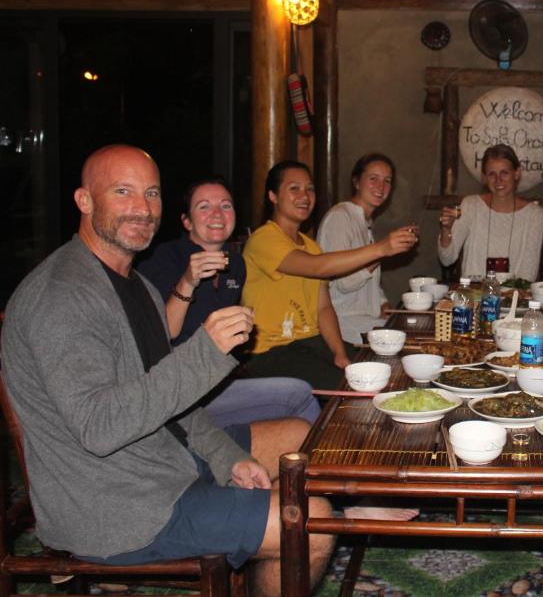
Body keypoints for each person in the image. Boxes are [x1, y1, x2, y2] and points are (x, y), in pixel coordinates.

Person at [1, 145, 334, 597]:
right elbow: (100, 427)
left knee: (299, 434)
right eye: (123, 192)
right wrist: (205, 351)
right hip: (115, 505)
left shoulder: (136, 284)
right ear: (85, 201)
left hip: (158, 460)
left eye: (152, 194)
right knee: (312, 523)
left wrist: (225, 457)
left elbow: (172, 400)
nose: (142, 208)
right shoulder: (64, 297)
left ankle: (244, 535)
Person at [137, 177, 320, 428]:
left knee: (301, 395)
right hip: (176, 396)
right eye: (204, 206)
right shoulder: (163, 258)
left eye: (225, 205)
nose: (217, 213)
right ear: (186, 221)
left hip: (217, 384)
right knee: (298, 395)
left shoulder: (235, 264)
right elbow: (164, 332)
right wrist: (187, 282)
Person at [242, 160, 418, 390]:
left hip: (311, 343)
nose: (304, 196)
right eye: (294, 188)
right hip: (271, 350)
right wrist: (382, 248)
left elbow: (324, 307)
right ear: (273, 196)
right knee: (356, 387)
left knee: (382, 373)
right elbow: (317, 267)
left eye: (310, 189)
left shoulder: (310, 245)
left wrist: (339, 353)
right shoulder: (263, 238)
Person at [316, 153, 395, 346]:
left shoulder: (365, 222)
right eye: (373, 179)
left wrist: (382, 302)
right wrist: (380, 252)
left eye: (387, 181)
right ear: (356, 182)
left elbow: (371, 281)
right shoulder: (340, 218)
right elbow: (343, 283)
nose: (381, 187)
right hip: (345, 326)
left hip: (366, 321)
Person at [438, 144, 543, 280]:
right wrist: (446, 230)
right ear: (484, 178)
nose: (498, 180)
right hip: (473, 295)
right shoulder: (471, 205)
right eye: (491, 174)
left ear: (517, 173)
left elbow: (528, 274)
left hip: (514, 297)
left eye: (504, 173)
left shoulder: (534, 215)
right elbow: (446, 259)